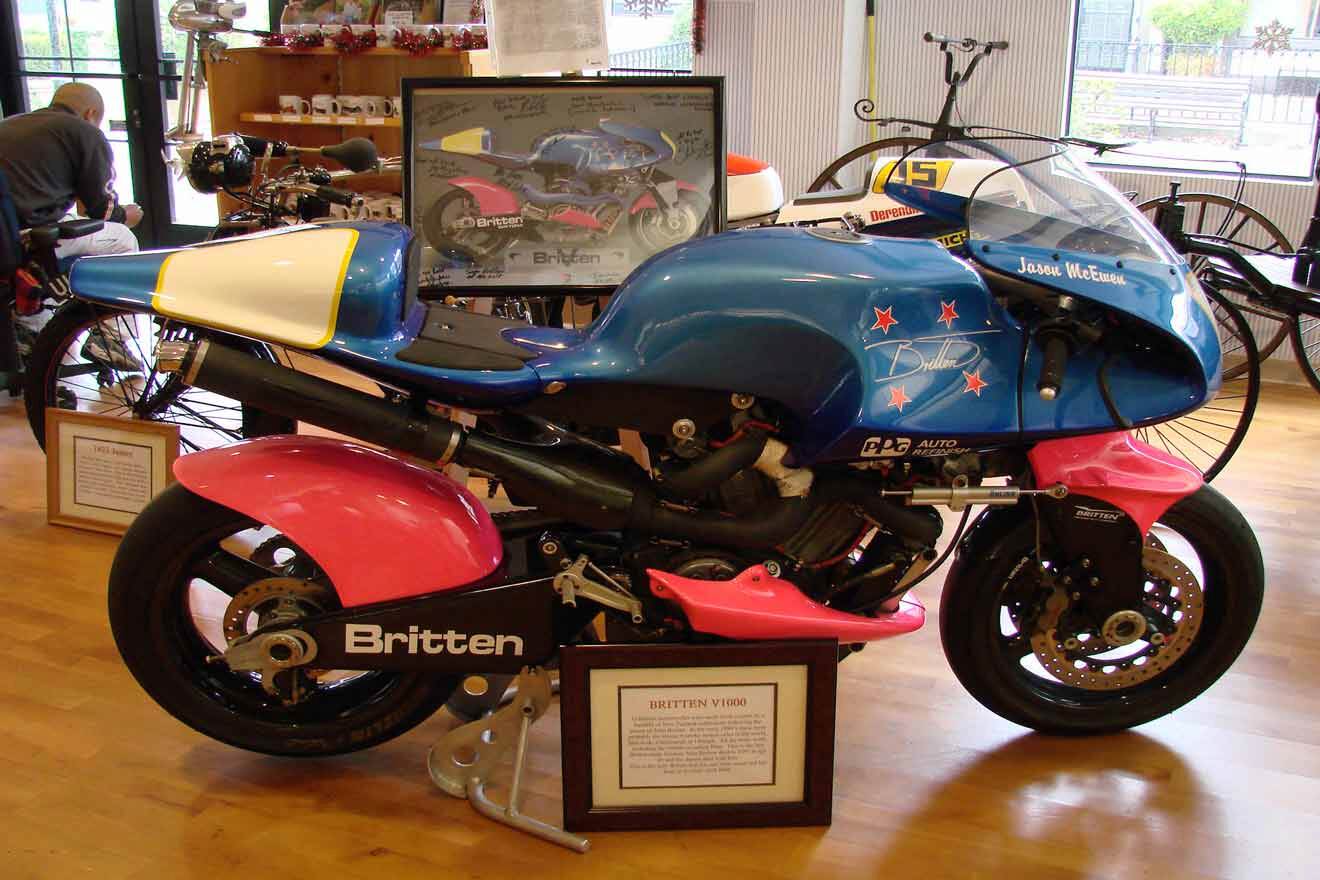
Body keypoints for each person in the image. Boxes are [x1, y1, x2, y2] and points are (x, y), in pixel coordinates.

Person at [0, 82, 143, 258]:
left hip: (7, 227)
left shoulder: (8, 124)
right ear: (90, 114)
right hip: (25, 235)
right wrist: (125, 216)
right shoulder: (85, 132)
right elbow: (103, 210)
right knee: (122, 238)